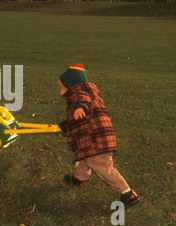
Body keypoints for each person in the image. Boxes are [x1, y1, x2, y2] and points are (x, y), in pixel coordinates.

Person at [57, 63, 139, 207]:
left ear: (70, 86)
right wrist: (67, 124)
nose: (60, 90)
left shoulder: (79, 93)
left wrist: (80, 107)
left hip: (96, 139)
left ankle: (127, 194)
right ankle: (79, 179)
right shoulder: (90, 92)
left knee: (102, 166)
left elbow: (84, 101)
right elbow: (86, 113)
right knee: (85, 157)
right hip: (94, 137)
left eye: (61, 87)